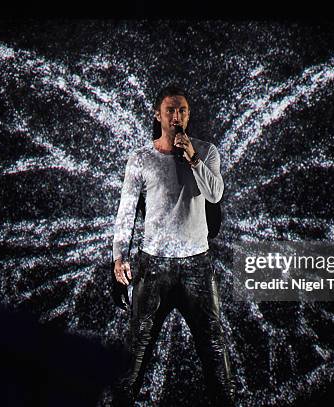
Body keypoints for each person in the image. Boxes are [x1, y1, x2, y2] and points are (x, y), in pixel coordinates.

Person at [112, 85, 235, 406]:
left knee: (214, 345)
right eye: (170, 110)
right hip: (154, 266)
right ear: (158, 115)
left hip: (197, 263)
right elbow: (126, 210)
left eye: (182, 110)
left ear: (188, 115)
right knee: (137, 348)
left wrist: (192, 158)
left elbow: (215, 195)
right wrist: (119, 255)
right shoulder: (141, 159)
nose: (176, 116)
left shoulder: (207, 152)